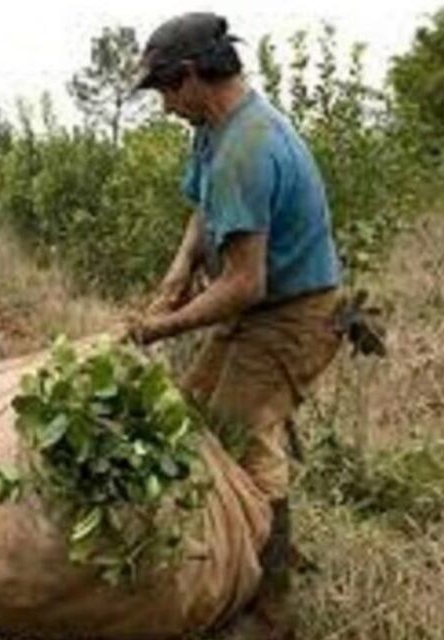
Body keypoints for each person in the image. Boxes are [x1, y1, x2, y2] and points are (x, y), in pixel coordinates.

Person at [126, 12, 344, 640]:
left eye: (165, 89)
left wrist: (156, 331)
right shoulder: (213, 128)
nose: (164, 105)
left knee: (242, 438)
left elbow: (246, 283)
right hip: (258, 309)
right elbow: (203, 214)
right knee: (191, 413)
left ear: (193, 76)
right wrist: (173, 282)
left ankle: (271, 611)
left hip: (296, 313)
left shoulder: (248, 150)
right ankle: (220, 562)